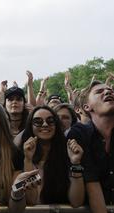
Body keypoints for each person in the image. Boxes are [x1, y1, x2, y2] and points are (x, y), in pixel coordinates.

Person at [20, 106, 84, 207]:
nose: (45, 125)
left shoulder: (68, 153)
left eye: (50, 120)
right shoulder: (21, 154)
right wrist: (28, 160)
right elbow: (31, 200)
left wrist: (76, 163)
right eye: (38, 121)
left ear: (56, 125)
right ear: (30, 126)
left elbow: (77, 202)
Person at [67, 81, 114, 212]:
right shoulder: (79, 133)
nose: (108, 92)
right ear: (87, 107)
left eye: (111, 90)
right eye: (99, 92)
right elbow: (93, 185)